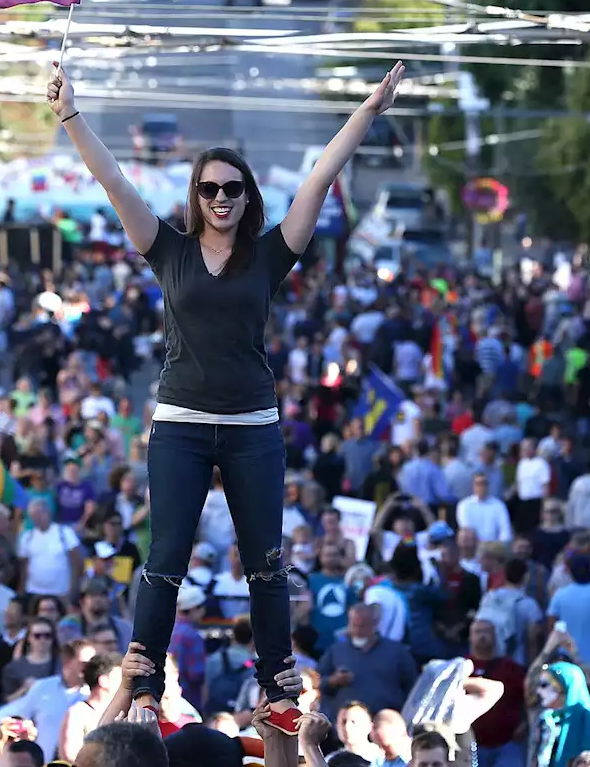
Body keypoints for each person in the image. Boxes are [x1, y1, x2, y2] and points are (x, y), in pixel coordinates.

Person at [47, 56, 407, 736]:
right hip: (181, 422)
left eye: (233, 189)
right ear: (195, 193)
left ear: (247, 198)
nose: (220, 198)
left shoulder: (271, 252)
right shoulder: (168, 248)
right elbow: (113, 179)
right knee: (166, 557)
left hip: (252, 425)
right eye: (210, 188)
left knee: (266, 561)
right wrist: (69, 113)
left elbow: (319, 179)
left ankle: (275, 679)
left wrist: (365, 111)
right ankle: (146, 669)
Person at [532, 661, 590, 767]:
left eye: (544, 685)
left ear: (564, 687)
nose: (538, 691)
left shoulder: (589, 724)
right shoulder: (548, 721)